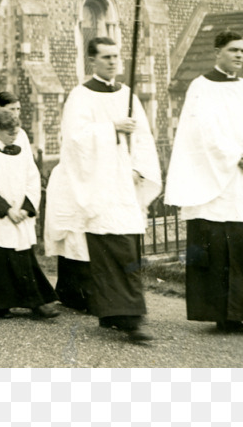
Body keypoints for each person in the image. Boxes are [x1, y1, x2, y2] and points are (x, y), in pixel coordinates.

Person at [44, 37, 161, 341]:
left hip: (126, 184)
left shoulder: (129, 95)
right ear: (91, 60)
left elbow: (144, 137)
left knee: (127, 246)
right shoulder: (80, 96)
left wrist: (139, 168)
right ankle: (128, 318)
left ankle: (117, 315)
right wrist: (112, 128)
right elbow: (74, 139)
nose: (112, 62)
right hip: (98, 184)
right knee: (112, 250)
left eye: (116, 56)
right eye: (106, 57)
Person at [165, 30, 243, 333]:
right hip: (215, 181)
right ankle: (223, 314)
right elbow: (204, 134)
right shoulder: (200, 87)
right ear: (217, 52)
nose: (239, 55)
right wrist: (237, 157)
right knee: (219, 249)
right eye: (233, 50)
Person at [0, 110, 59, 319]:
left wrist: (26, 207)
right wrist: (6, 210)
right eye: (9, 134)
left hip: (20, 213)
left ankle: (36, 302)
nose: (14, 137)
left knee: (22, 257)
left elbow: (32, 179)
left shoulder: (21, 151)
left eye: (16, 133)